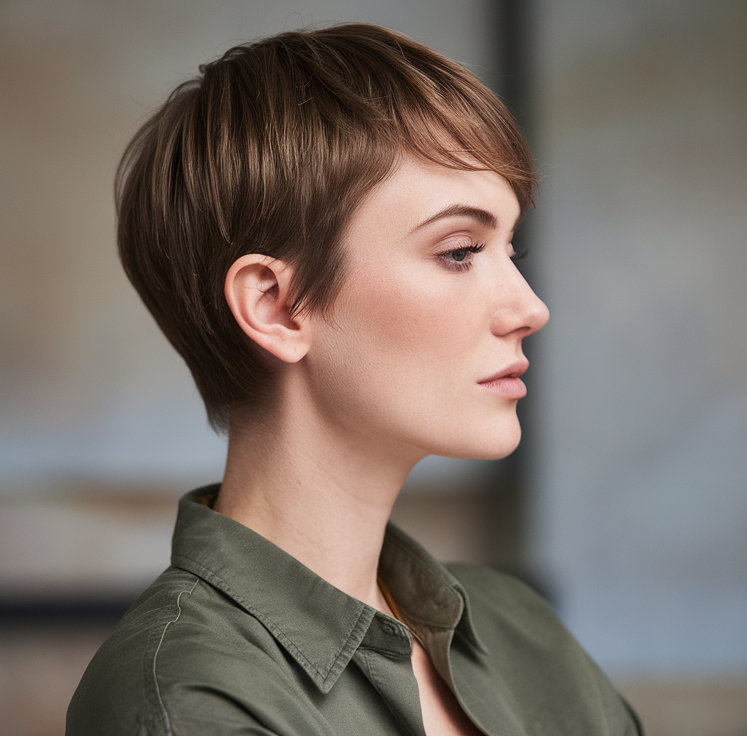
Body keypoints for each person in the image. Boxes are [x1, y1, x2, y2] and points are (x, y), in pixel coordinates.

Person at [67, 23, 642, 736]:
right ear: (276, 306)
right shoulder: (191, 700)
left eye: (510, 248)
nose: (530, 307)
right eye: (460, 251)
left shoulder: (522, 634)